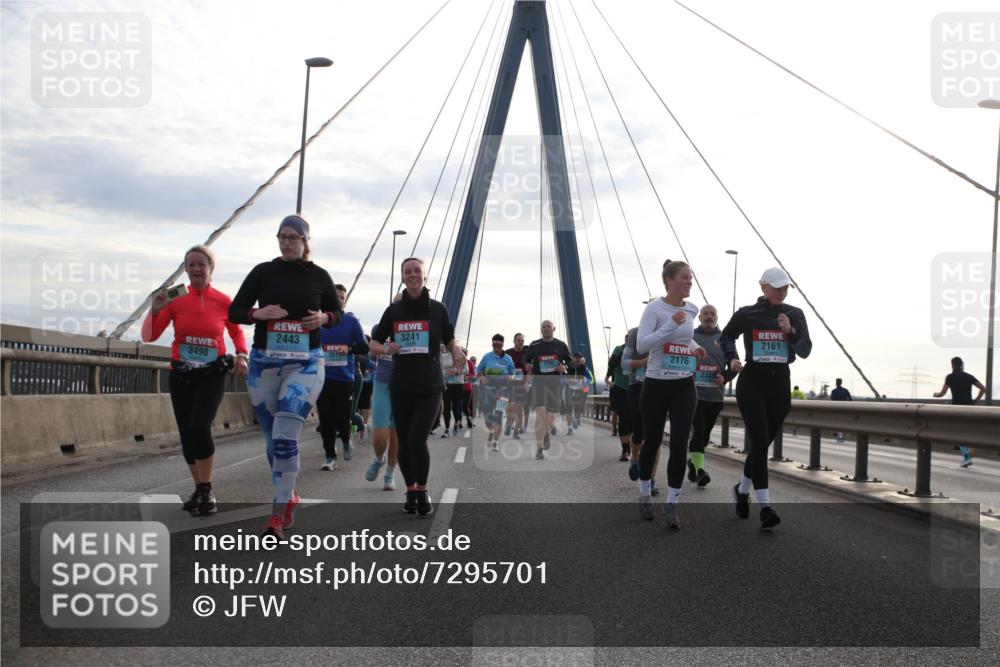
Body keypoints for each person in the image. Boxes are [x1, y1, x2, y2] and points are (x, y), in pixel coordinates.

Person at [229, 214, 341, 537]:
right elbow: (235, 311)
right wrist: (256, 314)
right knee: (271, 440)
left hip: (306, 364)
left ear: (306, 242)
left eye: (294, 237)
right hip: (265, 364)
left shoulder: (319, 276)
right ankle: (289, 495)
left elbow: (337, 314)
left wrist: (324, 317)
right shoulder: (263, 272)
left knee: (284, 434)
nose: (288, 241)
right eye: (283, 236)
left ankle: (276, 516)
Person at [142, 244, 249, 516]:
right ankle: (200, 488)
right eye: (190, 264)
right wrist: (155, 310)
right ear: (185, 269)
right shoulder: (176, 295)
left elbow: (236, 332)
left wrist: (241, 355)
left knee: (200, 426)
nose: (196, 269)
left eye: (201, 264)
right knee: (187, 433)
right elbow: (151, 336)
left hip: (212, 372)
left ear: (211, 268)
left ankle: (206, 488)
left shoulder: (223, 300)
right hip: (182, 372)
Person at [720, 266, 811, 530]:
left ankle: (741, 489)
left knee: (760, 447)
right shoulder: (747, 314)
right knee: (759, 442)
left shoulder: (794, 314)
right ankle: (766, 507)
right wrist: (732, 358)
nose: (782, 291)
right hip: (752, 382)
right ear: (763, 286)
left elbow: (805, 350)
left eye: (785, 287)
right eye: (777, 286)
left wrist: (790, 331)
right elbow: (726, 335)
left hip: (780, 383)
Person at [371, 257, 464, 516]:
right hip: (400, 384)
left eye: (417, 271)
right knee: (402, 440)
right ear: (403, 277)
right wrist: (385, 348)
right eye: (407, 272)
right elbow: (374, 343)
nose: (412, 275)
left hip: (430, 385)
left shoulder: (437, 309)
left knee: (416, 438)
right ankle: (410, 489)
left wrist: (455, 347)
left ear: (424, 275)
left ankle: (422, 489)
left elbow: (449, 335)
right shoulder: (393, 311)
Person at [635, 260, 705, 529]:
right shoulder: (655, 308)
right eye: (685, 278)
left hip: (684, 385)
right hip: (655, 384)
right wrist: (668, 327)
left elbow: (684, 338)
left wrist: (695, 347)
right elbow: (643, 344)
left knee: (678, 445)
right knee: (651, 442)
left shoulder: (692, 309)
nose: (689, 282)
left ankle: (672, 503)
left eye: (691, 278)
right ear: (668, 280)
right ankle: (643, 494)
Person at [316, 284, 369, 469]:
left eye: (342, 298)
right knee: (325, 419)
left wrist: (348, 350)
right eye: (335, 296)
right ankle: (330, 456)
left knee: (342, 416)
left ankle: (346, 440)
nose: (339, 300)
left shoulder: (351, 322)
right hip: (321, 378)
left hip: (345, 378)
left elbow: (364, 347)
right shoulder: (318, 321)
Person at [688, 304, 734, 488]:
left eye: (712, 314)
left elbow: (734, 363)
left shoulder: (725, 339)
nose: (709, 316)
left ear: (717, 317)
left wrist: (725, 377)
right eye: (705, 314)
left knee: (704, 437)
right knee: (698, 433)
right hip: (693, 395)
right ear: (699, 317)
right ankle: (699, 471)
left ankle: (693, 464)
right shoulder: (690, 337)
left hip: (715, 397)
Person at [525, 320, 573, 460]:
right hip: (539, 384)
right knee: (541, 416)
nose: (546, 329)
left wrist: (564, 368)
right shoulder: (534, 345)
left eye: (548, 327)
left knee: (550, 418)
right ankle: (539, 448)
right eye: (544, 327)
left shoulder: (561, 345)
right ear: (541, 329)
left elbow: (569, 362)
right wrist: (527, 364)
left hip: (554, 385)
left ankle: (546, 434)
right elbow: (526, 360)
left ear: (553, 329)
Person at [622, 326, 660, 496]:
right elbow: (625, 362)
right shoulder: (636, 333)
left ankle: (651, 479)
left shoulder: (672, 331)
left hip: (661, 388)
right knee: (638, 435)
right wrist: (645, 362)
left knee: (654, 437)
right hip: (638, 386)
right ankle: (635, 459)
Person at [366, 315, 400, 490]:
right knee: (380, 436)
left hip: (403, 386)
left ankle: (390, 474)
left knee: (395, 435)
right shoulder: (379, 328)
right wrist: (385, 349)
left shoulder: (414, 328)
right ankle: (379, 460)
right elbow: (372, 353)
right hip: (382, 383)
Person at [933, 357, 985, 467]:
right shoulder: (969, 376)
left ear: (952, 365)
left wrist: (935, 394)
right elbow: (983, 388)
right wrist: (976, 400)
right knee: (969, 431)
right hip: (970, 407)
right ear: (962, 365)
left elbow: (942, 393)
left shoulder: (950, 377)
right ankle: (971, 449)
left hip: (957, 409)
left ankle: (967, 456)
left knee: (959, 433)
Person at [477, 334, 517, 449]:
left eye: (499, 345)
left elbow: (513, 372)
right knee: (488, 418)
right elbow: (478, 370)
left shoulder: (508, 358)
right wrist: (481, 378)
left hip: (503, 390)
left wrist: (511, 377)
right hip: (488, 390)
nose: (497, 347)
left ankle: (496, 442)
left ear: (502, 345)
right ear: (492, 344)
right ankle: (491, 430)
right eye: (495, 344)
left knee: (499, 414)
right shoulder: (487, 357)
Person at [606, 334, 632, 461]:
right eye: (628, 338)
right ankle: (625, 449)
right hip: (620, 388)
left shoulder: (642, 349)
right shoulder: (618, 349)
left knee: (634, 421)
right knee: (624, 419)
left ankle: (632, 444)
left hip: (637, 387)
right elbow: (611, 364)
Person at [504, 333, 529, 438]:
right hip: (509, 384)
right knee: (510, 407)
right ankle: (509, 423)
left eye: (522, 341)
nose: (521, 342)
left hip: (522, 384)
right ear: (514, 341)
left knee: (519, 408)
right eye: (519, 340)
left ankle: (516, 432)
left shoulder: (527, 353)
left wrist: (527, 382)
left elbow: (530, 369)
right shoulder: (507, 353)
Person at [564, 353, 592, 435]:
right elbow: (561, 377)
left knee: (577, 410)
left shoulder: (583, 368)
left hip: (579, 391)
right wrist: (566, 380)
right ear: (572, 358)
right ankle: (569, 428)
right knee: (568, 410)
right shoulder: (567, 366)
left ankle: (576, 421)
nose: (577, 360)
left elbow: (589, 379)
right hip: (569, 390)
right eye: (576, 358)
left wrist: (583, 383)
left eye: (579, 358)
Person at [830, 377, 852, 443]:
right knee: (842, 423)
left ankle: (840, 437)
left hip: (836, 409)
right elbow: (850, 400)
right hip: (844, 409)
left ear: (836, 383)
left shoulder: (834, 391)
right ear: (841, 383)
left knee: (838, 423)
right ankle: (840, 436)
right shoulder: (846, 390)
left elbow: (832, 402)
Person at [464, 352, 476, 428]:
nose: (473, 361)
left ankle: (469, 418)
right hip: (457, 386)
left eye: (474, 360)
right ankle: (458, 422)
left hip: (469, 387)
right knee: (459, 405)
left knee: (468, 405)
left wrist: (468, 377)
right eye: (472, 360)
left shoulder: (469, 363)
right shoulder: (454, 361)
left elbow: (473, 374)